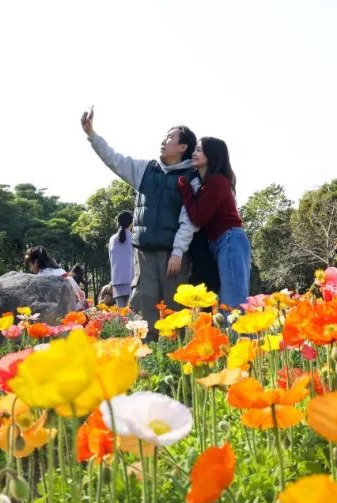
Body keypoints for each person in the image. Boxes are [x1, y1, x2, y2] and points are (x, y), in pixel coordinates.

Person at [81, 109, 196, 339]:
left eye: (170, 138)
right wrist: (91, 134)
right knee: (143, 311)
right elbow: (114, 159)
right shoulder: (146, 170)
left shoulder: (191, 178)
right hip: (144, 255)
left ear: (183, 147)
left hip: (173, 257)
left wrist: (178, 252)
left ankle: (180, 360)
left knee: (175, 312)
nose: (163, 141)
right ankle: (146, 358)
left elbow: (189, 220)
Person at [177, 137, 250, 308]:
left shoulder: (217, 181)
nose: (193, 154)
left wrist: (185, 189)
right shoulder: (207, 183)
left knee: (233, 302)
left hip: (230, 240)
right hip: (222, 241)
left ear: (212, 155)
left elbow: (199, 217)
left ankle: (237, 335)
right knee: (226, 299)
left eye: (199, 150)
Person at [108, 210, 136, 308]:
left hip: (117, 281)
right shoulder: (134, 238)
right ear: (132, 223)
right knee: (132, 314)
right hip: (132, 280)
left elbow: (111, 260)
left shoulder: (112, 239)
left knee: (121, 315)